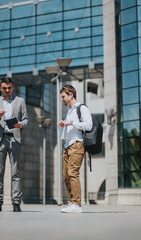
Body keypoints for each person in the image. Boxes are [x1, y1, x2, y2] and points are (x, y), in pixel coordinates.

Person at [0, 77, 28, 212]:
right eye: (4, 88)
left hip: (14, 139)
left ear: (13, 87)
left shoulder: (20, 101)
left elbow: (26, 119)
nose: (7, 90)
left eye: (9, 88)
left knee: (16, 172)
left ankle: (16, 203)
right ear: (0, 88)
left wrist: (21, 124)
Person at [57, 85, 92, 213]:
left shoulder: (81, 108)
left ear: (71, 94)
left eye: (63, 96)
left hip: (77, 144)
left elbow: (89, 125)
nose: (62, 99)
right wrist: (62, 126)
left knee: (73, 173)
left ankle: (76, 204)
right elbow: (68, 130)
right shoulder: (69, 110)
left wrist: (71, 123)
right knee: (66, 176)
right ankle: (72, 202)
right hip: (67, 145)